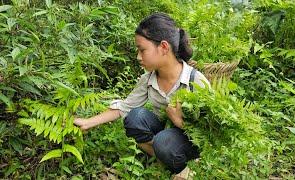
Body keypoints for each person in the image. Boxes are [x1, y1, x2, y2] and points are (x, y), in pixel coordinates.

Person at [74, 12, 210, 175]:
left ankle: (184, 169)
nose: (138, 57)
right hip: (166, 136)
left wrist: (181, 123)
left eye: (142, 50)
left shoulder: (196, 81)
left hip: (190, 141)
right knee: (135, 117)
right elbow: (124, 107)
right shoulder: (148, 79)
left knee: (163, 143)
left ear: (164, 47)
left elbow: (209, 133)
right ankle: (164, 159)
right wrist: (88, 122)